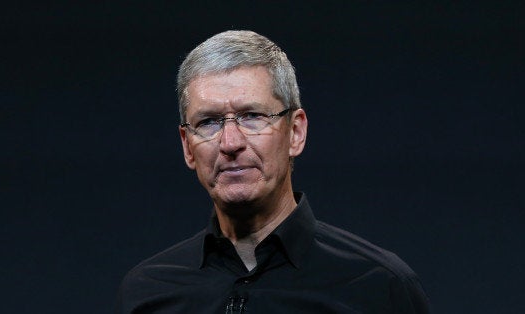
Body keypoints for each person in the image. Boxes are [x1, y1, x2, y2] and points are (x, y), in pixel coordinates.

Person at [115, 30, 430, 313]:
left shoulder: (377, 288)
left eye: (252, 116)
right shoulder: (147, 292)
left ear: (295, 132)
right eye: (208, 122)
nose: (230, 142)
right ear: (187, 145)